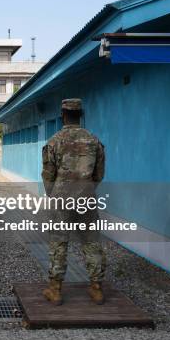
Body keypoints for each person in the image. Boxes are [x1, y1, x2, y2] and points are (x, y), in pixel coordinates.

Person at [41, 98, 106, 305]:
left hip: (61, 198)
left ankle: (55, 290)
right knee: (91, 242)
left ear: (62, 115)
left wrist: (53, 195)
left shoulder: (54, 141)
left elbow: (48, 175)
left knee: (59, 242)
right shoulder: (94, 141)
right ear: (82, 114)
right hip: (86, 197)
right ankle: (96, 288)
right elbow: (99, 174)